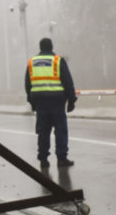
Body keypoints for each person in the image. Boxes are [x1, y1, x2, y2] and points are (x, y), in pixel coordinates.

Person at [25, 37, 77, 168]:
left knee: (43, 131)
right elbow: (67, 81)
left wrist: (31, 101)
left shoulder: (32, 62)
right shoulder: (58, 61)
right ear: (51, 47)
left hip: (40, 103)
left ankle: (43, 160)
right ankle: (61, 159)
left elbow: (28, 84)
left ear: (40, 47)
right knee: (60, 130)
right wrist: (71, 100)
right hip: (57, 102)